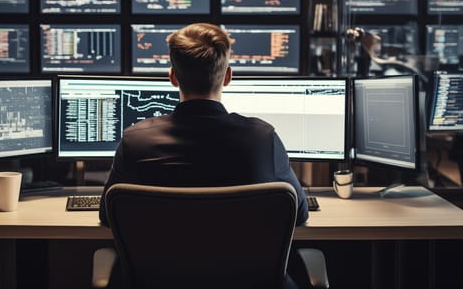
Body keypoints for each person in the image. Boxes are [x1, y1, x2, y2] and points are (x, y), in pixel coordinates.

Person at [99, 23, 309, 287]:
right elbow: (299, 214)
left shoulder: (135, 141)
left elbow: (107, 215)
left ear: (173, 77)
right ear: (228, 76)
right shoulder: (263, 139)